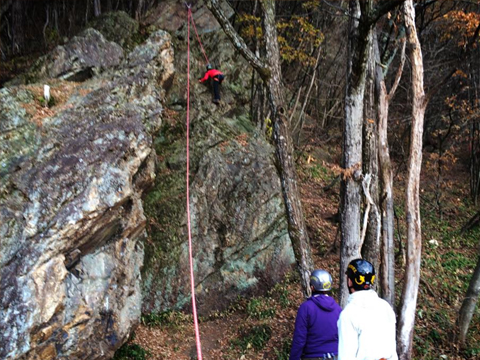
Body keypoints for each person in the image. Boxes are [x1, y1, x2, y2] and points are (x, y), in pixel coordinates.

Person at [337, 259, 398, 360]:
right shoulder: (385, 307)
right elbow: (392, 350)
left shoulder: (349, 314)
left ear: (349, 281)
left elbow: (346, 357)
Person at [290, 269, 342, 360]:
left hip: (313, 356)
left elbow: (299, 340)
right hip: (336, 356)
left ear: (312, 287)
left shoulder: (306, 308)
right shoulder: (338, 309)